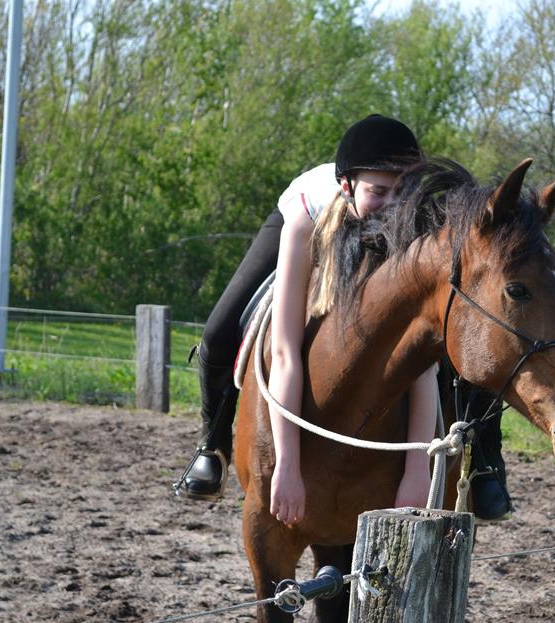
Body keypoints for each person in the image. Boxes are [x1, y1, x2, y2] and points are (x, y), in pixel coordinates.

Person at [175, 115, 514, 520]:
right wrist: (286, 466)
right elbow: (284, 353)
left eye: (403, 192)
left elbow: (420, 368)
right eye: (380, 191)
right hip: (304, 220)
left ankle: (486, 465)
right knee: (218, 330)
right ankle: (212, 445)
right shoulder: (305, 215)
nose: (392, 206)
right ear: (347, 185)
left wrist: (414, 475)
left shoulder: (412, 218)